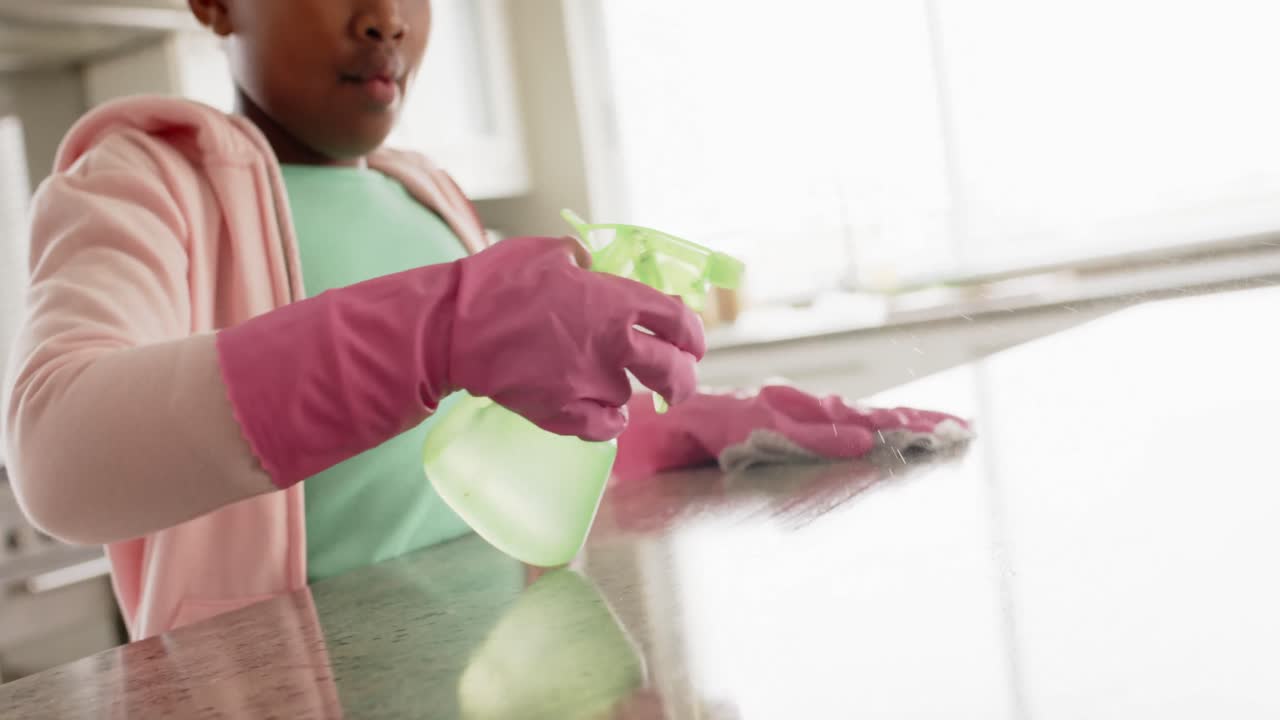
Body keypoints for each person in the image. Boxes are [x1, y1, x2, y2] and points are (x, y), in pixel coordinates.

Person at [3, 0, 966, 641]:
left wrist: (671, 435)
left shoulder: (428, 197)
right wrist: (440, 330)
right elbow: (56, 456)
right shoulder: (142, 180)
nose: (384, 19)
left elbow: (452, 465)